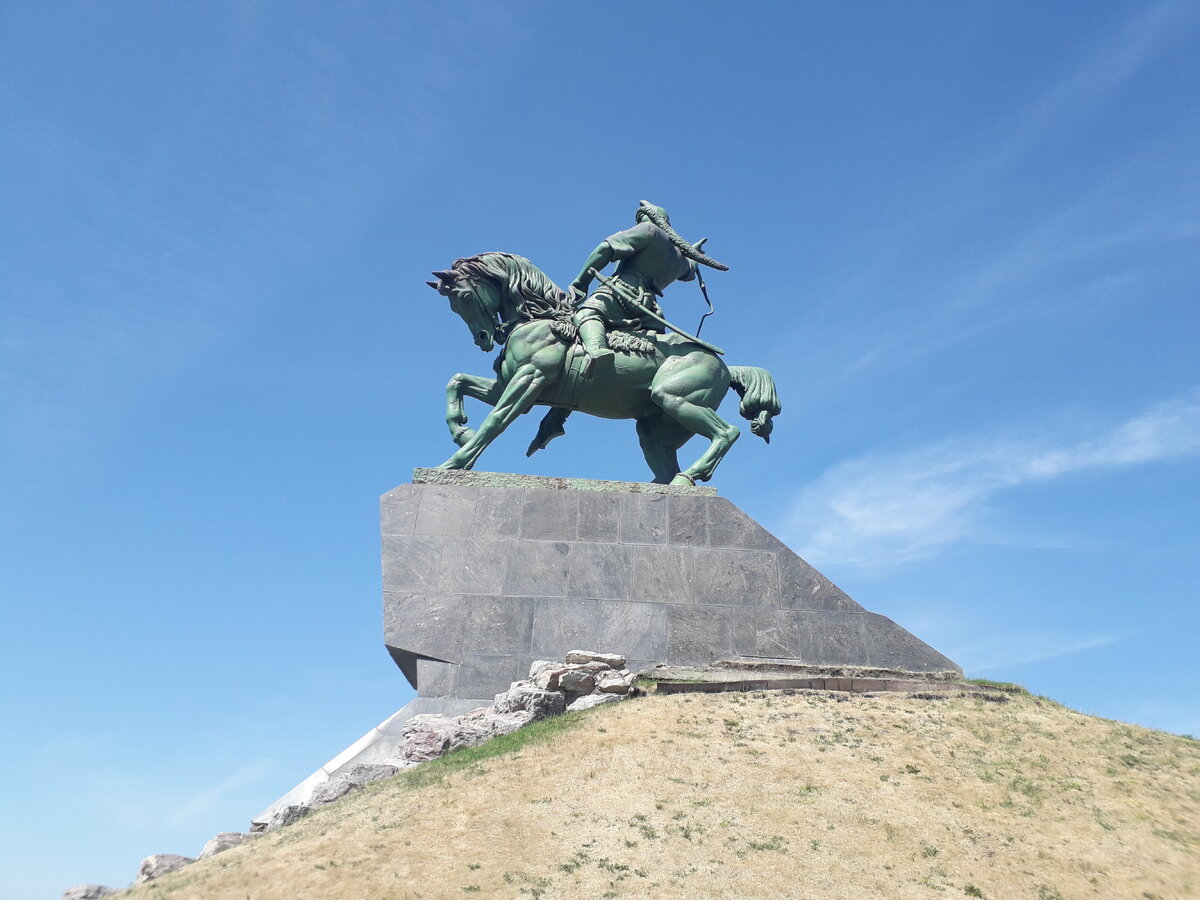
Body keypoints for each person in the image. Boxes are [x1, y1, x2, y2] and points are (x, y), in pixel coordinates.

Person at [567, 201, 727, 372]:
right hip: (650, 311)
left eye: (640, 218)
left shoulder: (649, 230)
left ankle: (597, 350)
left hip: (621, 293)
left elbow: (605, 249)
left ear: (651, 218)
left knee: (588, 314)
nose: (639, 223)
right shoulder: (679, 259)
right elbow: (690, 272)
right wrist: (694, 255)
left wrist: (581, 283)